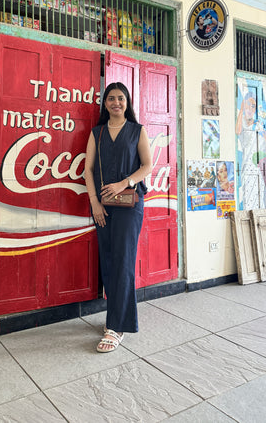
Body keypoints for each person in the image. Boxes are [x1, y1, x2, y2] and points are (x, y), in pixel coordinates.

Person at [84, 82, 152, 353]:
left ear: (127, 102)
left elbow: (148, 165)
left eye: (120, 98)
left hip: (129, 206)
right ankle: (115, 316)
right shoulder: (97, 133)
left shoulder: (137, 131)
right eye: (111, 98)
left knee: (123, 262)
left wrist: (124, 182)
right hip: (103, 208)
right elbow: (88, 171)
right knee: (109, 262)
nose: (116, 103)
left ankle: (117, 326)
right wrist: (95, 204)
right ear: (105, 103)